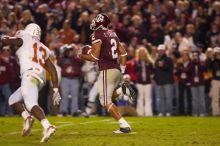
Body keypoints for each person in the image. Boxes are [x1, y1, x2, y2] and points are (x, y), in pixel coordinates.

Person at [0, 23, 61, 143]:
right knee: (13, 100)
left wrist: (3, 36)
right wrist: (55, 90)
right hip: (39, 79)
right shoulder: (44, 47)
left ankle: (48, 126)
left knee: (30, 104)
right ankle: (27, 118)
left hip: (29, 75)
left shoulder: (25, 37)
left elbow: (8, 41)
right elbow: (53, 71)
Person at [78, 13, 136, 133]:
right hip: (117, 70)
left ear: (99, 22)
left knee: (105, 101)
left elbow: (94, 57)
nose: (93, 22)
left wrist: (81, 55)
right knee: (108, 97)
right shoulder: (113, 33)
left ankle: (124, 125)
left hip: (106, 70)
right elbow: (124, 53)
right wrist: (123, 71)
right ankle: (122, 91)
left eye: (95, 20)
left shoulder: (97, 34)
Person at [154, 44, 174, 116]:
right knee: (160, 98)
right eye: (159, 50)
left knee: (168, 98)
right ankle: (161, 112)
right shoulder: (157, 60)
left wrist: (163, 66)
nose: (160, 52)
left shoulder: (169, 59)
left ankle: (168, 111)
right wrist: (155, 79)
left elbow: (170, 69)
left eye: (162, 50)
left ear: (164, 51)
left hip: (167, 81)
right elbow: (156, 71)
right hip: (159, 82)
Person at [134, 46, 154, 116]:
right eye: (140, 52)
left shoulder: (149, 61)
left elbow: (152, 71)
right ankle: (140, 113)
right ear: (138, 53)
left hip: (148, 82)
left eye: (143, 52)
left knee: (148, 98)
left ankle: (148, 113)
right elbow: (134, 71)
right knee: (140, 98)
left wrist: (151, 75)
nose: (142, 53)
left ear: (145, 53)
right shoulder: (136, 62)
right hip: (139, 82)